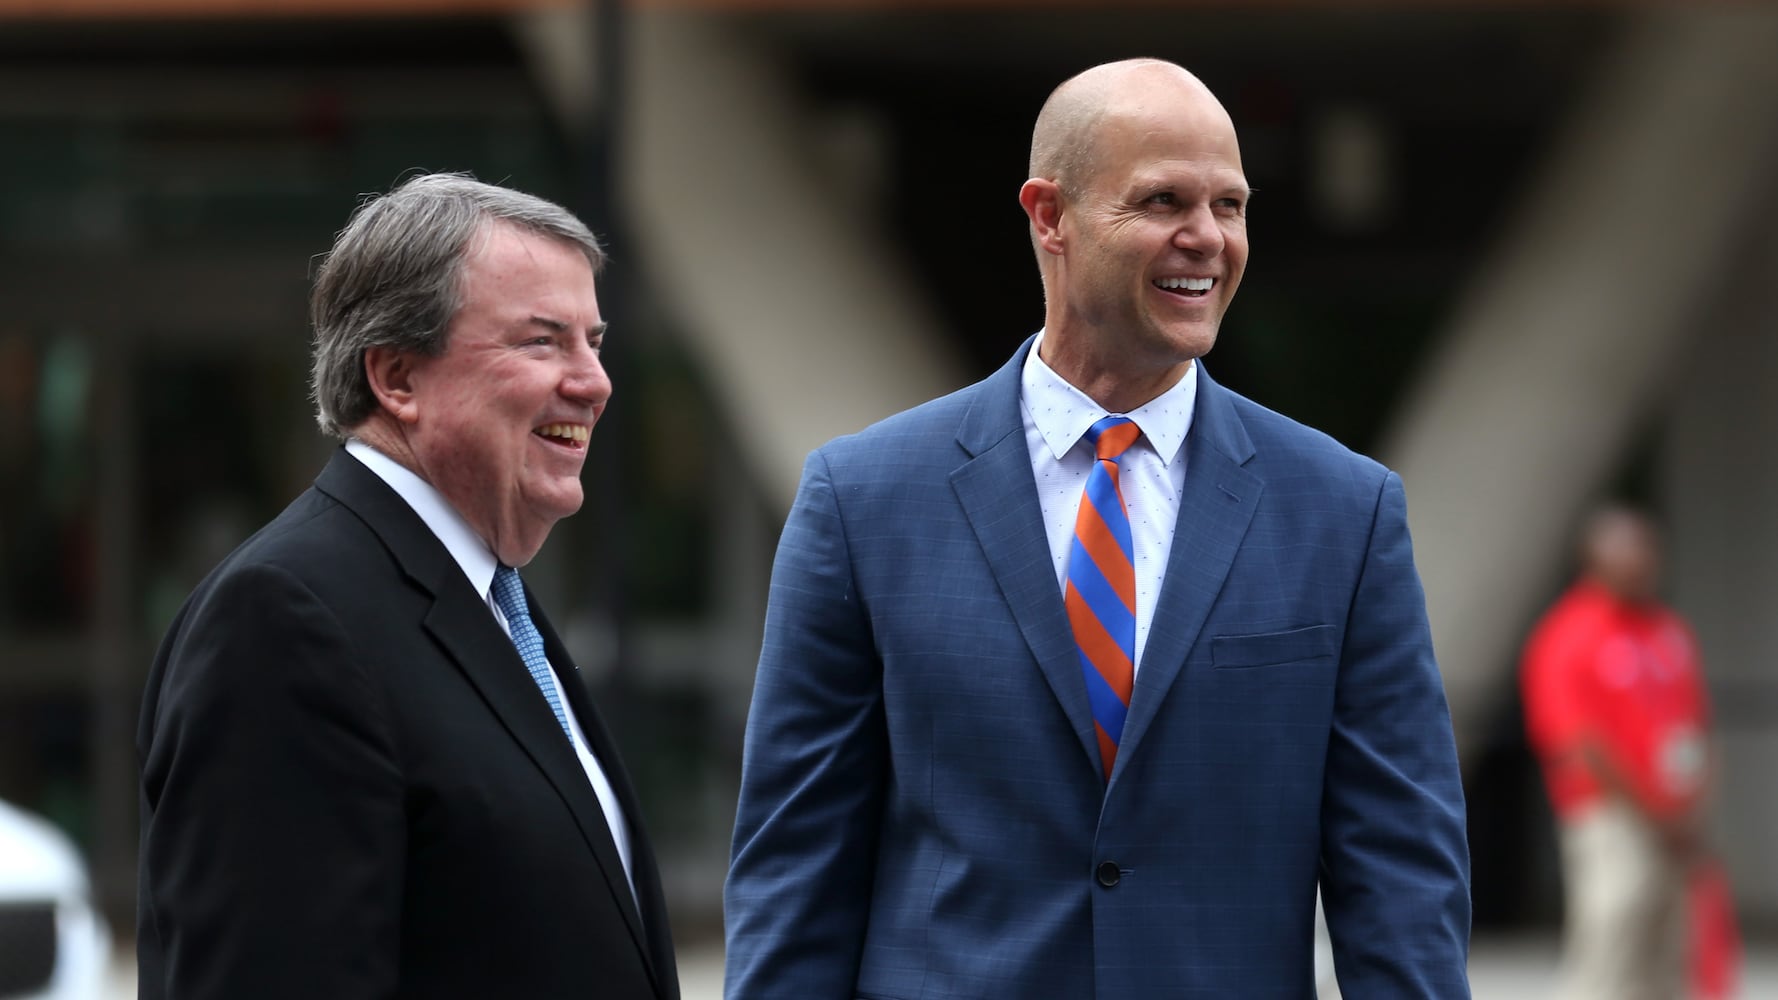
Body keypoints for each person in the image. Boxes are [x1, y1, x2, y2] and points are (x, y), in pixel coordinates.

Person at [724, 59, 1471, 997]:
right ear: (1050, 217)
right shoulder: (862, 500)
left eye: (1230, 207)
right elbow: (797, 871)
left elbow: (1402, 882)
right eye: (1163, 201)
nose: (1207, 239)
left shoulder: (1343, 511)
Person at [136, 173, 679, 1000]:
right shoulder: (285, 619)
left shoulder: (489, 601)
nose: (594, 381)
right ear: (396, 378)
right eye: (542, 341)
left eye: (594, 341)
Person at [1521, 505, 1715, 1000]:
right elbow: (1578, 744)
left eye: (1649, 545)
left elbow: (1693, 726)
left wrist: (1693, 806)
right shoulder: (1568, 633)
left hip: (1677, 823)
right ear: (1593, 556)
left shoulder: (1667, 630)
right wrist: (1656, 811)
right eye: (1629, 546)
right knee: (1610, 956)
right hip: (1610, 818)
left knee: (1671, 962)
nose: (1645, 558)